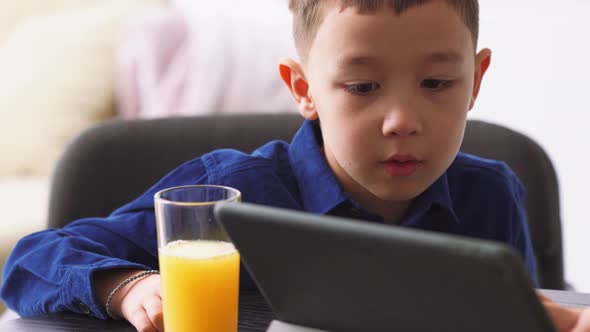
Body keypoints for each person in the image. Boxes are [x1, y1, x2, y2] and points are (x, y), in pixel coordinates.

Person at [0, 0, 582, 331]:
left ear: (475, 81)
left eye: (436, 83)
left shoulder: (493, 194)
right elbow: (32, 261)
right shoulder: (227, 193)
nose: (402, 119)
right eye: (362, 86)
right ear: (303, 88)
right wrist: (130, 286)